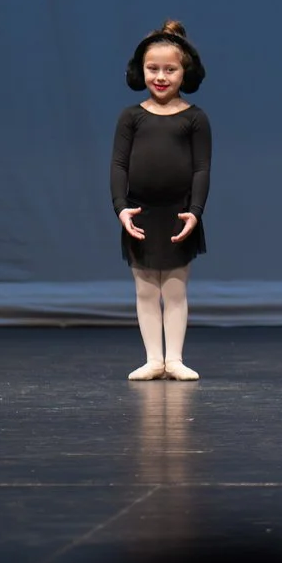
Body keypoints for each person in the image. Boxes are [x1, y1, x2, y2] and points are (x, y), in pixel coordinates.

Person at [111, 20, 211, 381]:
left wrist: (195, 212)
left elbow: (201, 169)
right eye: (153, 68)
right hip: (139, 212)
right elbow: (119, 164)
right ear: (141, 70)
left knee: (175, 287)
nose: (161, 76)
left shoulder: (195, 118)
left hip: (178, 212)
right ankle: (154, 359)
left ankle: (175, 359)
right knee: (145, 287)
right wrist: (121, 207)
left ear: (185, 72)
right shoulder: (131, 117)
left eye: (170, 69)